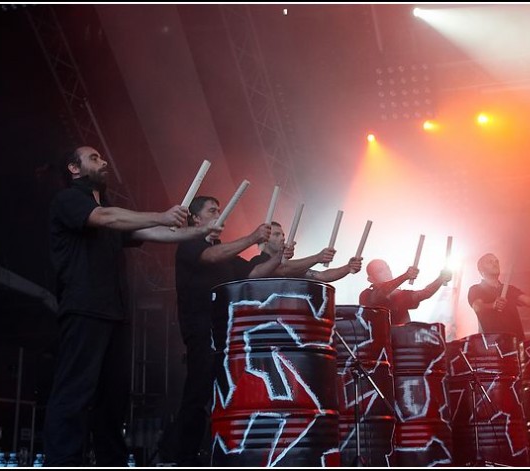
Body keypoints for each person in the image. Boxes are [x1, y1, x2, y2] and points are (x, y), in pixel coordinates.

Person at [45, 146, 218, 467]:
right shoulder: (70, 201)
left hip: (115, 314)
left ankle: (112, 462)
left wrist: (199, 230)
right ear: (74, 168)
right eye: (94, 158)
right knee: (74, 394)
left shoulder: (110, 210)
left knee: (113, 400)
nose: (104, 161)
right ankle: (62, 462)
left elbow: (153, 231)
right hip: (83, 309)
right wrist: (162, 215)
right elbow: (106, 218)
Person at [163, 196, 289, 466]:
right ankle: (183, 457)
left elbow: (253, 274)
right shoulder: (189, 242)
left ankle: (220, 452)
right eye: (212, 211)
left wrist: (278, 256)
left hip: (226, 332)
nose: (219, 214)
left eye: (219, 210)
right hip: (200, 328)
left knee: (226, 393)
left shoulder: (225, 252)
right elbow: (211, 255)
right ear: (196, 219)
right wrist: (252, 236)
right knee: (198, 393)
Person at [467, 253, 530, 342]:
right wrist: (492, 305)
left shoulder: (509, 289)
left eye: (496, 261)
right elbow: (477, 307)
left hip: (516, 341)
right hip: (493, 344)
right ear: (481, 270)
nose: (495, 264)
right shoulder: (476, 289)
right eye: (490, 262)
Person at [248, 221, 363, 282]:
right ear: (265, 239)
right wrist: (317, 258)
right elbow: (283, 269)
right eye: (276, 235)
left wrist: (347, 268)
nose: (283, 238)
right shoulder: (258, 261)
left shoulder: (294, 267)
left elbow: (322, 276)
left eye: (283, 235)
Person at [359, 259, 451, 324]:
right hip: (377, 346)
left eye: (387, 268)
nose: (387, 272)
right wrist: (405, 276)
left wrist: (440, 279)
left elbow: (424, 293)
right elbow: (381, 293)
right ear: (370, 279)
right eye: (380, 271)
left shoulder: (399, 295)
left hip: (400, 346)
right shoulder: (366, 294)